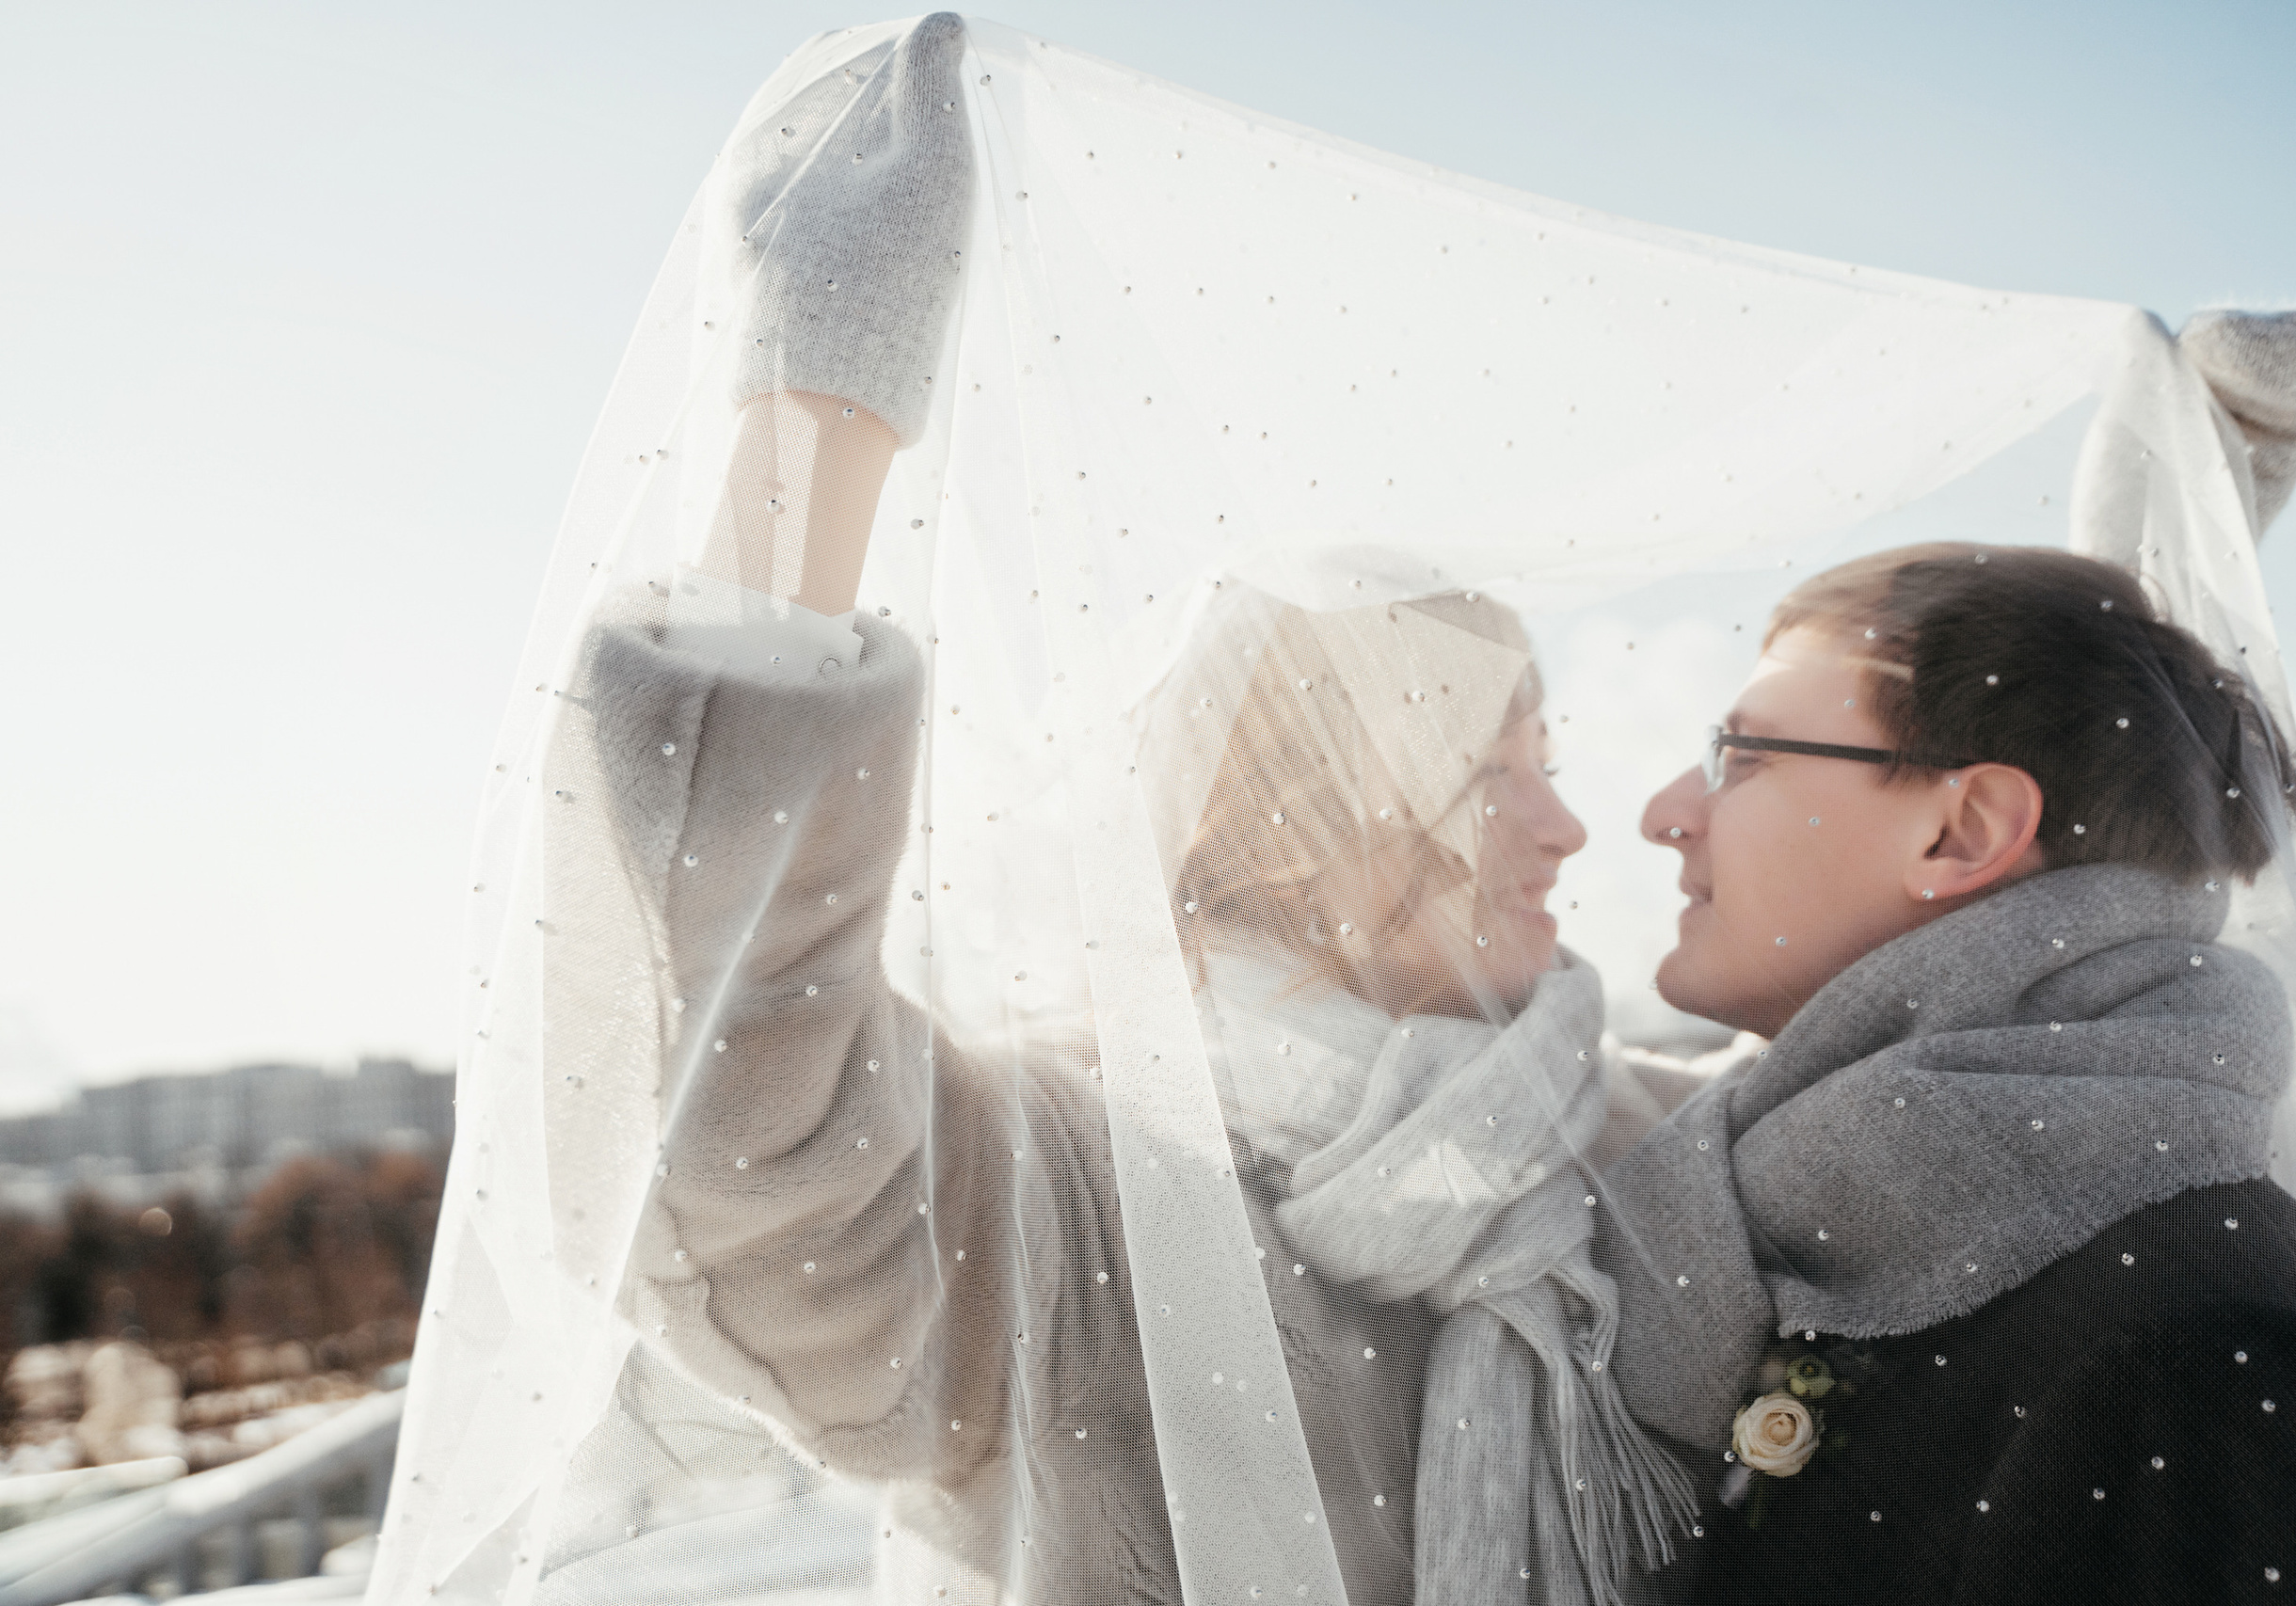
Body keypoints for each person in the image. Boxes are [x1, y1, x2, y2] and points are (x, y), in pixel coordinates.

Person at [572, 15, 1699, 1604]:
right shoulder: (1074, 1192)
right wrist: (815, 412)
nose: (1570, 828)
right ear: (1321, 817)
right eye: (1495, 767)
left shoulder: (1638, 1131)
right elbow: (734, 1117)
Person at [1602, 542, 2296, 1602]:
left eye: (1742, 757)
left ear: (1960, 830)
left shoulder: (2189, 1338)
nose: (1664, 813)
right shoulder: (1801, 1225)